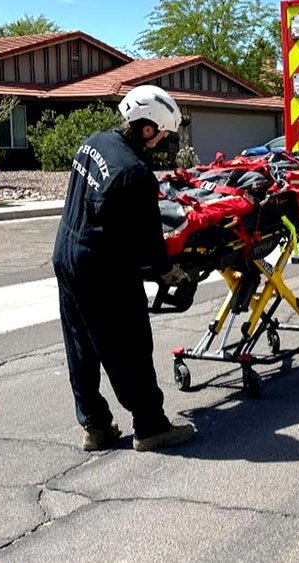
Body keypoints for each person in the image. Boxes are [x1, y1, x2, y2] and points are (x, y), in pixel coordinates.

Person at [53, 84, 196, 451]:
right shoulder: (134, 173)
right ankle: (150, 427)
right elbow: (151, 243)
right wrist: (170, 273)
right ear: (147, 129)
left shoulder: (93, 141)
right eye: (162, 133)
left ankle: (95, 427)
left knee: (80, 343)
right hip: (103, 268)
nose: (162, 141)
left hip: (66, 252)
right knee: (130, 346)